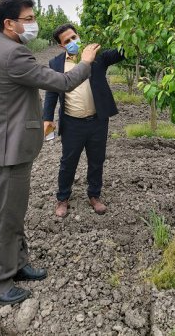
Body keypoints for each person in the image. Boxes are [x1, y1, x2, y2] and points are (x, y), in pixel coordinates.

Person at [0, 0, 100, 306]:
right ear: (9, 23)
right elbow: (60, 82)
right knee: (8, 216)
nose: (33, 23)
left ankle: (17, 265)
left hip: (0, 143)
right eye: (28, 18)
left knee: (13, 213)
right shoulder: (14, 55)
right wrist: (85, 61)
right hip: (9, 149)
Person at [43, 23, 124, 218]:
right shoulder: (56, 64)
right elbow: (52, 93)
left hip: (97, 122)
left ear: (79, 35)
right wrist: (47, 118)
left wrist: (129, 34)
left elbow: (121, 53)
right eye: (67, 41)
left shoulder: (96, 56)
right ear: (62, 46)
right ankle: (63, 198)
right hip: (72, 123)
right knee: (68, 162)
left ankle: (94, 196)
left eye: (74, 37)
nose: (73, 42)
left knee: (97, 160)